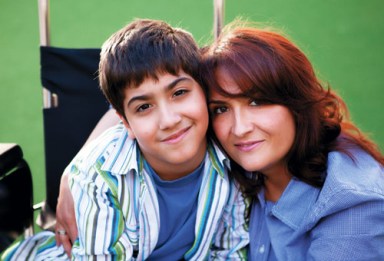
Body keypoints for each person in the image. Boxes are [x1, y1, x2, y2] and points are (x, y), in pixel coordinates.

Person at [1, 19, 249, 260]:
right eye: (144, 107)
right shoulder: (101, 178)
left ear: (204, 91)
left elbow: (231, 251)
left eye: (180, 92)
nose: (169, 120)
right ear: (125, 122)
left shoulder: (232, 153)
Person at [199, 21, 384, 260]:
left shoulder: (352, 204)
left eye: (256, 102)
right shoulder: (230, 177)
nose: (240, 128)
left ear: (296, 102)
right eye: (221, 109)